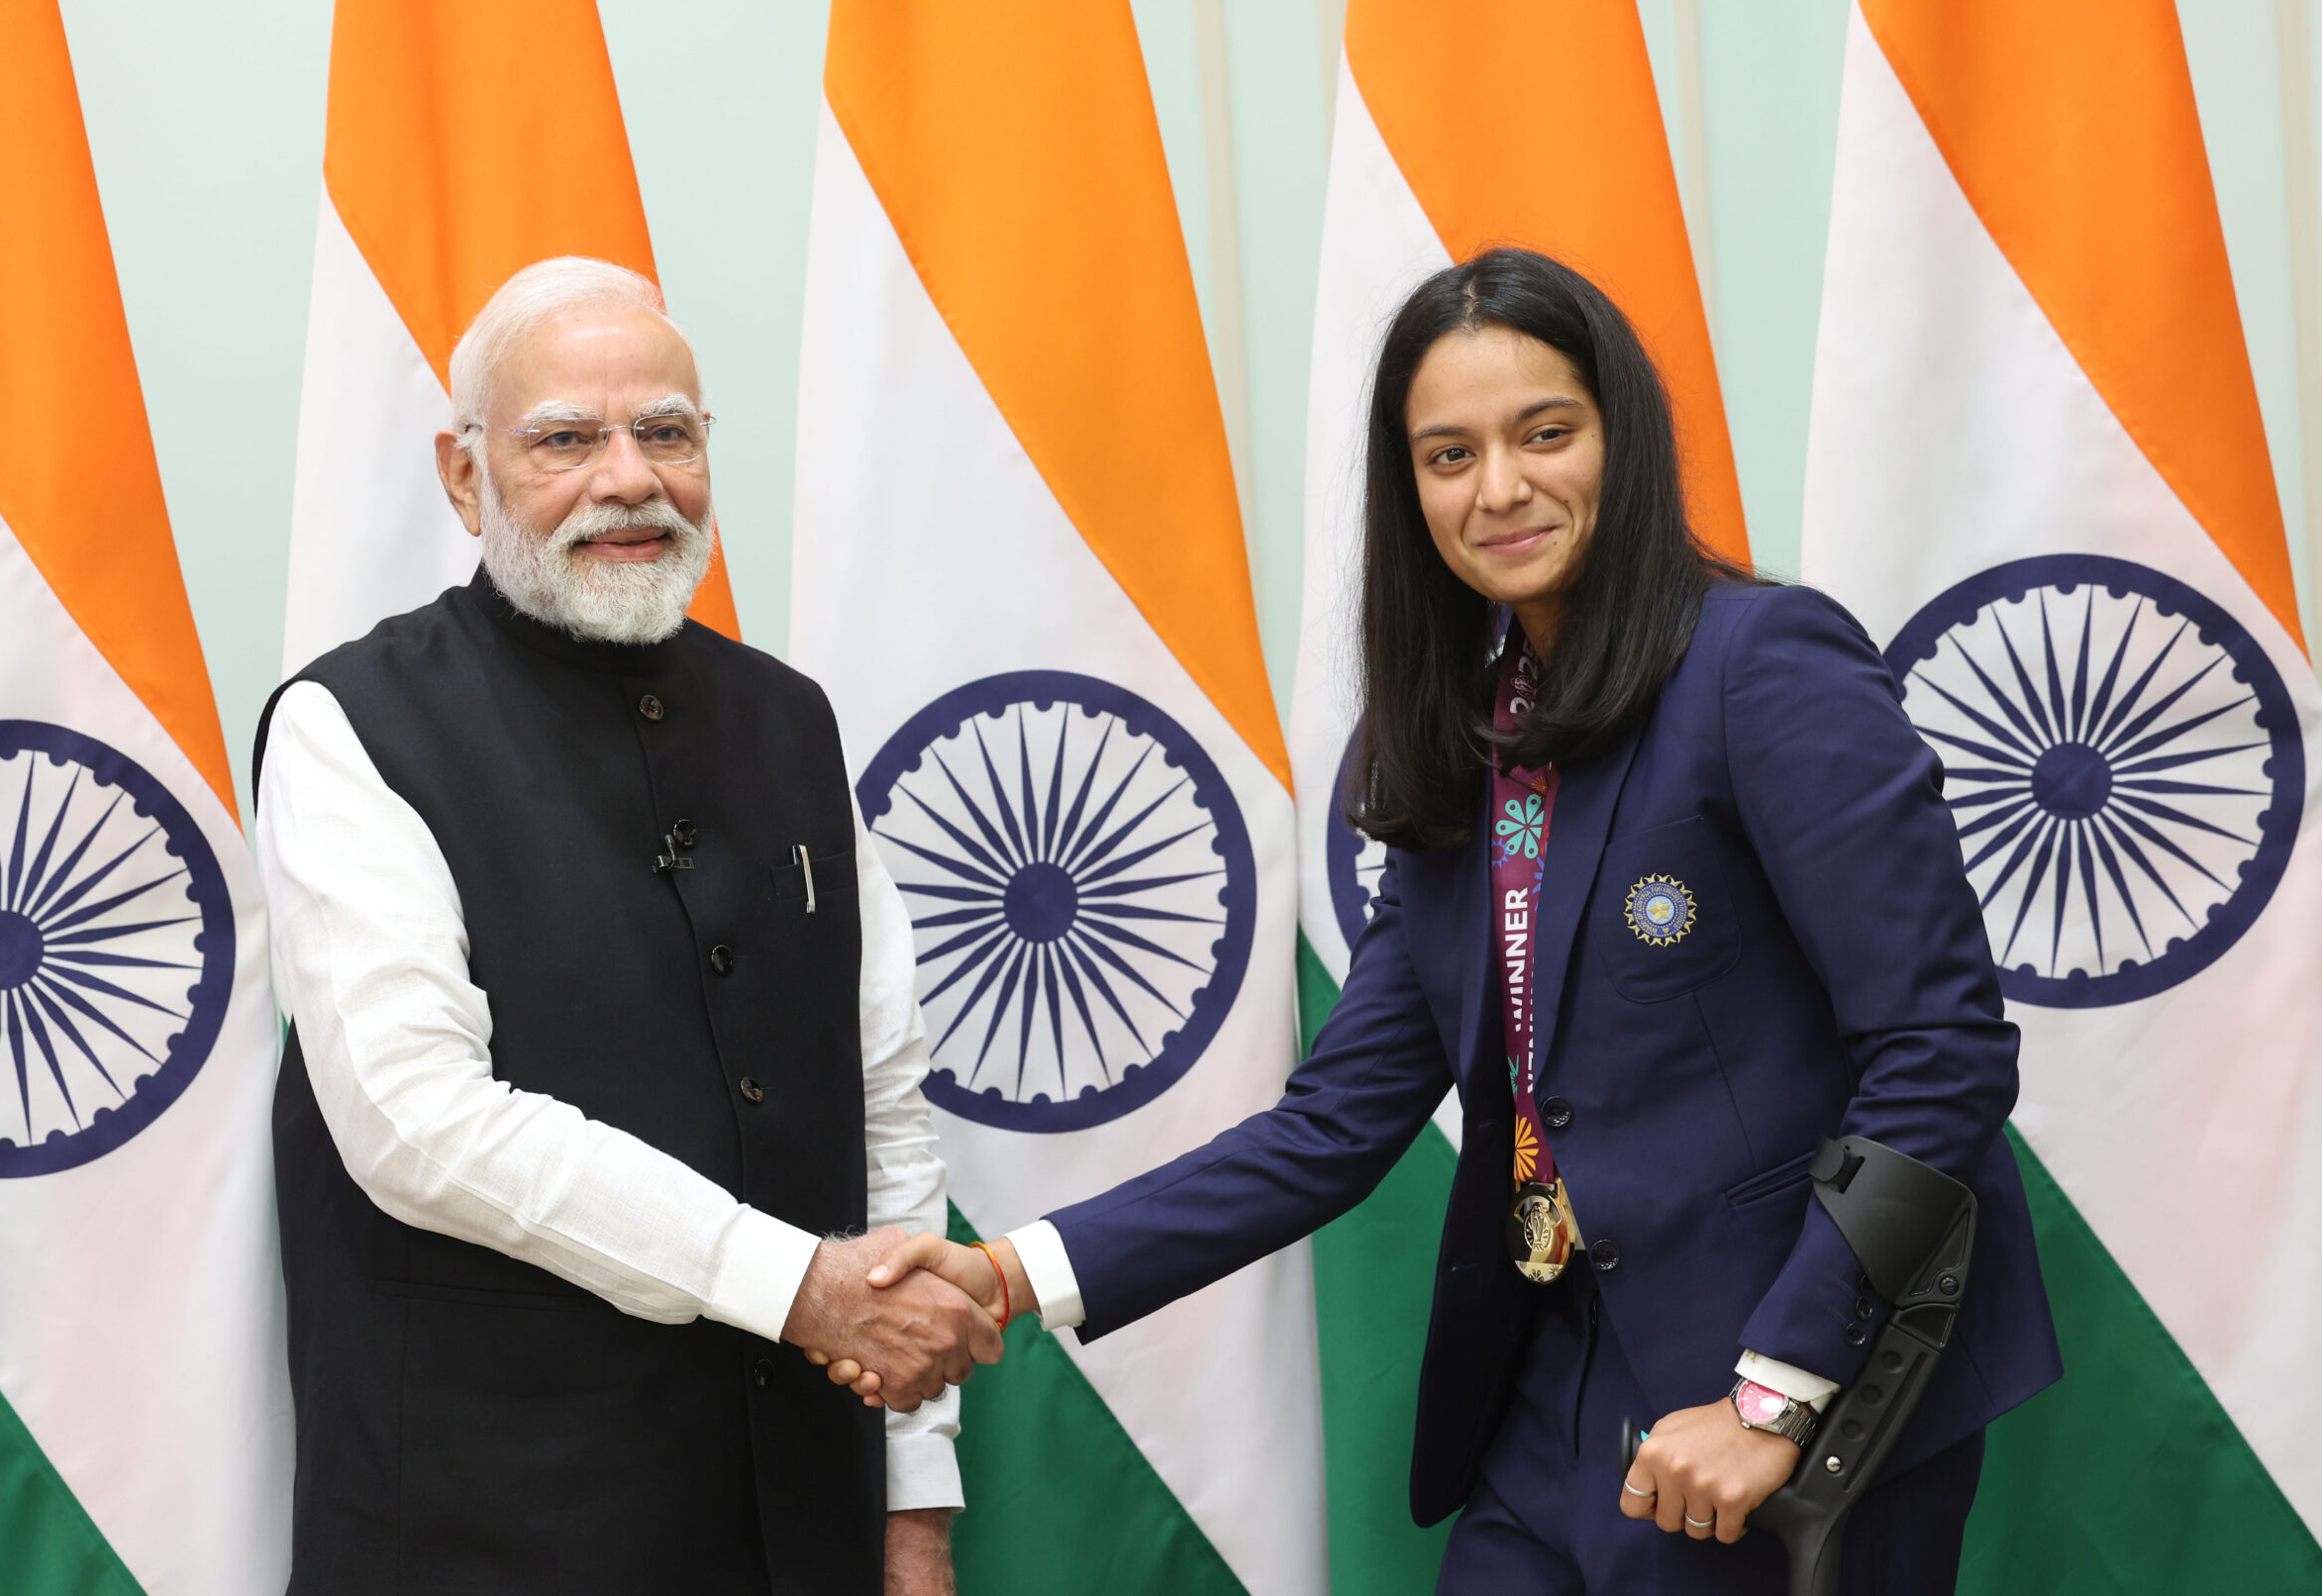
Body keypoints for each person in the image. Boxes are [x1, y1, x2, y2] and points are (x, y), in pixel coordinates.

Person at [836, 248, 2061, 1592]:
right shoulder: (1439, 746)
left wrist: (1777, 1394)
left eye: (1547, 433)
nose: (1501, 489)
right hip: (1548, 1397)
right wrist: (1011, 1271)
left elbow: (1941, 1049)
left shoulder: (1760, 664)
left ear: (1623, 438)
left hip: (1779, 1399)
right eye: (1448, 454)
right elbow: (1336, 1124)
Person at [254, 255, 993, 1596]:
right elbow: (421, 1126)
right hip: (489, 1536)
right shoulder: (349, 728)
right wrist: (796, 1286)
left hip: (802, 1524)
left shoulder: (790, 721)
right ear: (465, 475)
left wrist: (915, 1501)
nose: (628, 479)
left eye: (666, 433)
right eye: (565, 440)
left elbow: (880, 1103)